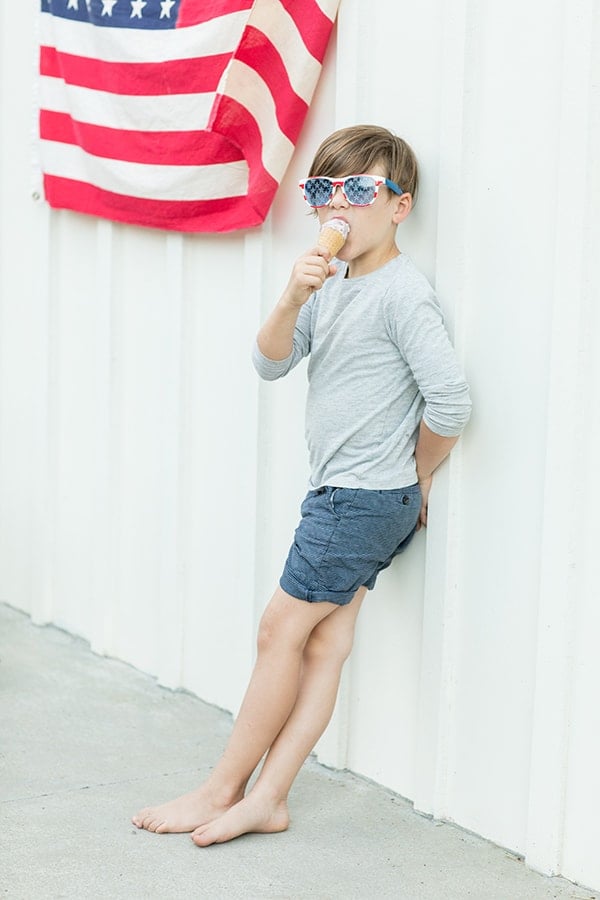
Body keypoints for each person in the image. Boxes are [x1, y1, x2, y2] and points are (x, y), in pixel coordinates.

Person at [132, 124, 471, 846]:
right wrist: (291, 296)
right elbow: (270, 363)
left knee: (277, 631)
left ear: (399, 206)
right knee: (324, 645)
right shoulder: (333, 282)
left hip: (359, 499)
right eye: (322, 191)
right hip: (351, 496)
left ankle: (224, 788)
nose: (336, 206)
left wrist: (416, 475)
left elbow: (450, 402)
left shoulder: (403, 295)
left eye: (358, 190)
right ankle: (269, 799)